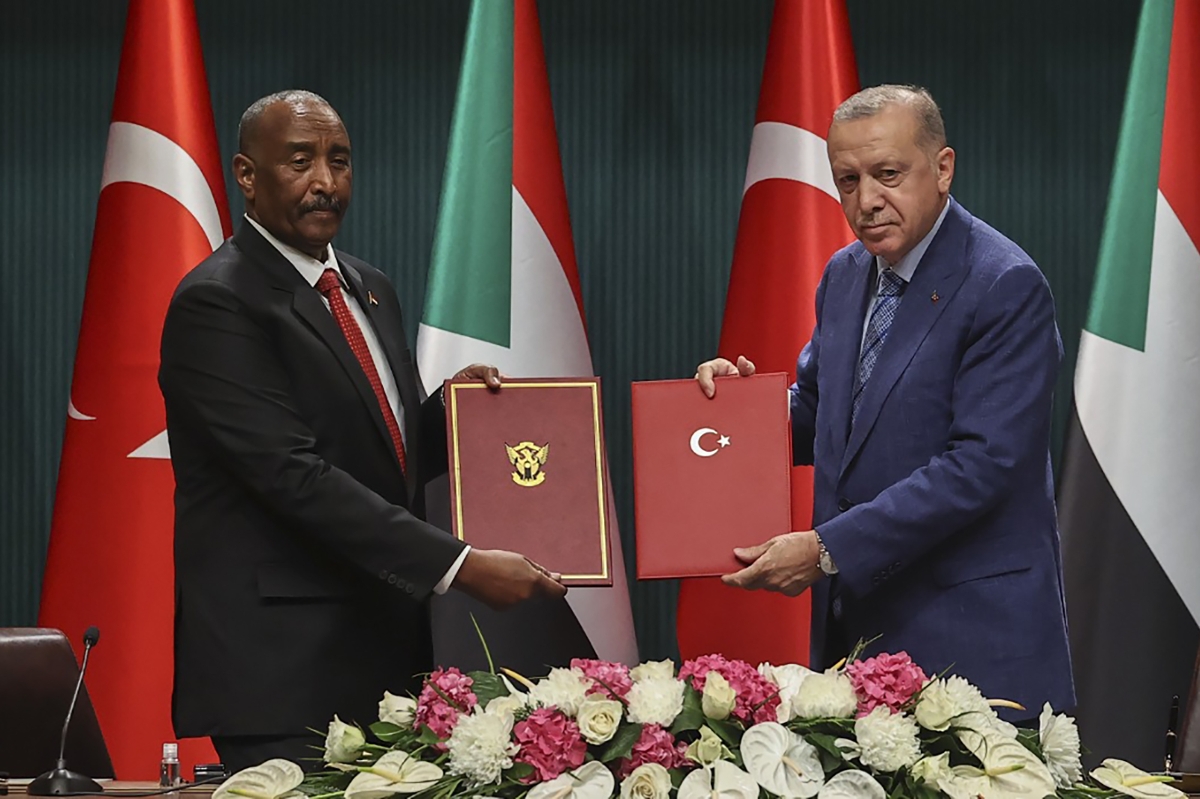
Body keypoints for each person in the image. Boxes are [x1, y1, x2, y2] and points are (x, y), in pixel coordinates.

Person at [159, 90, 566, 771]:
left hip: (385, 661)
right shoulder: (219, 302)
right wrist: (461, 564)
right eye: (300, 160)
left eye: (339, 160)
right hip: (282, 675)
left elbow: (381, 454)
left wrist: (450, 416)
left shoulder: (368, 288)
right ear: (246, 175)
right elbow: (294, 476)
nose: (325, 180)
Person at [696, 85, 1074, 716]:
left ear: (944, 167)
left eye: (888, 174)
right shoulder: (845, 275)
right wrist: (739, 412)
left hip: (973, 642)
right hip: (859, 641)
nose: (866, 200)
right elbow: (820, 412)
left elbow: (982, 466)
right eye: (847, 180)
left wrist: (825, 548)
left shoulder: (1005, 285)